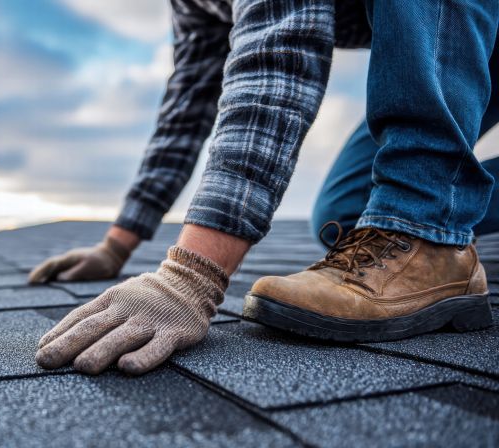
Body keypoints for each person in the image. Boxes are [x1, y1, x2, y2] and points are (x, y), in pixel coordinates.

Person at [30, 0, 499, 375]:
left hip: (467, 30)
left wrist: (191, 275)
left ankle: (430, 233)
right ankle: (435, 223)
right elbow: (184, 116)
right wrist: (117, 245)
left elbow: (276, 61)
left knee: (410, 211)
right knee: (349, 216)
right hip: (471, 52)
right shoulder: (193, 7)